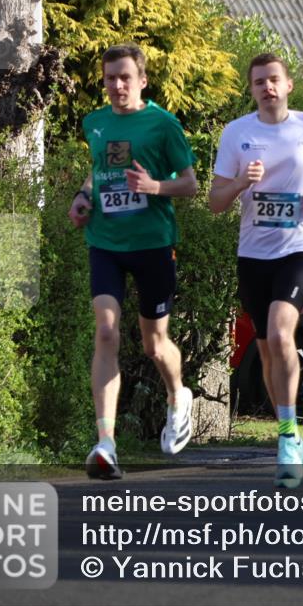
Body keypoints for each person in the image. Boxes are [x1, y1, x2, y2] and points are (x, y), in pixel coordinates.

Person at [209, 53, 303, 488]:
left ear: (288, 85)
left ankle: (290, 437)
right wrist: (240, 183)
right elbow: (215, 202)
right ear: (252, 89)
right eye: (259, 82)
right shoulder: (236, 133)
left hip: (300, 249)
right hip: (253, 256)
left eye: (274, 80)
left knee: (280, 332)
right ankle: (287, 431)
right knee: (269, 348)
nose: (267, 87)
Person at [68, 44, 199, 480]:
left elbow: (190, 184)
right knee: (105, 332)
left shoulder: (163, 125)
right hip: (105, 241)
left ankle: (178, 394)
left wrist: (154, 187)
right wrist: (84, 195)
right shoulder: (96, 123)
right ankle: (105, 444)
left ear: (142, 80)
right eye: (110, 78)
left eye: (125, 77)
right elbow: (97, 167)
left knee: (154, 345)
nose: (117, 85)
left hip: (153, 243)